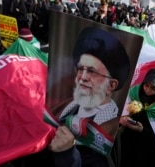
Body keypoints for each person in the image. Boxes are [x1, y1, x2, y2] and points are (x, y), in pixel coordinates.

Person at [49, 27, 130, 167]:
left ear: (111, 85)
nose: (82, 77)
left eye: (92, 71)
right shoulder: (60, 109)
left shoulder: (109, 131)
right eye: (81, 69)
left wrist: (67, 155)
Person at [118, 68, 155, 167]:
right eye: (146, 85)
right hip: (123, 141)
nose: (147, 90)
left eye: (153, 88)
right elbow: (120, 110)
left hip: (141, 150)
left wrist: (142, 129)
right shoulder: (135, 91)